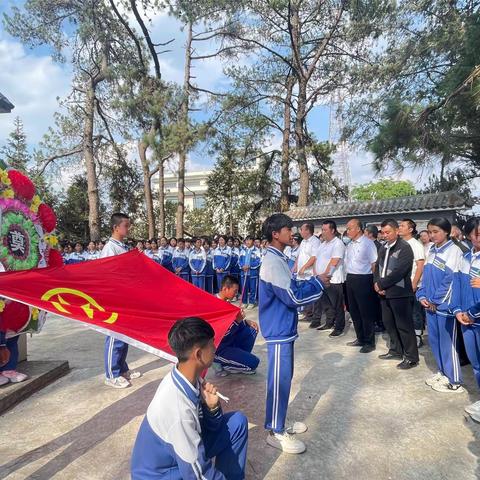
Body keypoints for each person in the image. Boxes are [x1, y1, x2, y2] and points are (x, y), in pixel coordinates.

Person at [131, 317, 248, 480]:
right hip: (162, 475)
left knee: (237, 422)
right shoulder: (177, 411)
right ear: (199, 354)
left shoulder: (187, 376)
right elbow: (197, 474)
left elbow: (208, 428)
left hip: (176, 460)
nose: (215, 348)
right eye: (212, 344)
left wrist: (212, 409)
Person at [259, 213, 329, 454]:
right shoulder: (272, 261)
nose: (293, 233)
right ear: (275, 234)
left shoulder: (279, 257)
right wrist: (319, 283)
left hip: (282, 328)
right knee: (279, 381)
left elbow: (293, 288)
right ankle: (275, 432)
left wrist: (314, 283)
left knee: (284, 379)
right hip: (278, 329)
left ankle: (279, 422)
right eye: (288, 229)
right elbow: (293, 297)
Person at [416, 217, 465, 393]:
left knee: (447, 343)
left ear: (446, 232)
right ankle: (443, 373)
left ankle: (454, 380)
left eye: (436, 231)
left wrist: (436, 301)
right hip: (429, 304)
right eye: (430, 232)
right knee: (434, 341)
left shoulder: (454, 251)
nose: (432, 235)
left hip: (444, 306)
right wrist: (421, 294)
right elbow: (426, 277)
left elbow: (450, 280)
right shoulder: (431, 250)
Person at [101, 213, 141, 389]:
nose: (128, 228)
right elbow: (108, 275)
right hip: (115, 299)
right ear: (116, 227)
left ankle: (122, 369)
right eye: (126, 225)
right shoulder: (110, 248)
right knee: (114, 335)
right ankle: (111, 374)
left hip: (125, 297)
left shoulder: (122, 247)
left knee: (124, 336)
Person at [374, 219, 418, 369]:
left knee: (404, 326)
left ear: (396, 231)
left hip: (399, 293)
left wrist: (382, 284)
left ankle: (411, 357)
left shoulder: (404, 248)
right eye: (383, 232)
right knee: (389, 323)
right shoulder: (383, 247)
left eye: (388, 232)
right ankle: (395, 350)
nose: (385, 235)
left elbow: (400, 271)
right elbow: (377, 268)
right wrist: (377, 283)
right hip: (383, 293)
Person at [452, 217, 480, 418]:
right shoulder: (465, 258)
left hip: (476, 318)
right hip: (466, 320)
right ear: (469, 236)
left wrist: (471, 314)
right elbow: (458, 287)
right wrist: (458, 311)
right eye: (477, 234)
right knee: (476, 363)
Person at [344, 218, 379, 353]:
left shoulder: (368, 243)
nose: (348, 231)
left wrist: (375, 281)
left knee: (366, 312)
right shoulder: (350, 244)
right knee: (354, 311)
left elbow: (374, 264)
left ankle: (369, 342)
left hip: (364, 279)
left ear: (358, 229)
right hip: (351, 278)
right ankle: (360, 338)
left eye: (350, 228)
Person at [215, 275, 260, 375]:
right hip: (219, 348)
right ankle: (223, 364)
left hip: (230, 342)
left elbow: (235, 325)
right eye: (235, 291)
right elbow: (219, 335)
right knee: (253, 363)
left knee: (252, 328)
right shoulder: (214, 305)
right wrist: (237, 321)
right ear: (225, 289)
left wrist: (244, 321)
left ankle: (238, 360)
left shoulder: (227, 304)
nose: (236, 294)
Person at [311, 220, 346, 337]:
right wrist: (316, 274)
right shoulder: (322, 244)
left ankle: (339, 327)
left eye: (325, 230)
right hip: (321, 280)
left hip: (333, 280)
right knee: (326, 304)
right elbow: (316, 259)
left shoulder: (338, 243)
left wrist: (325, 275)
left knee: (337, 305)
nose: (323, 232)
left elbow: (334, 262)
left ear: (332, 230)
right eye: (322, 230)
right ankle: (329, 323)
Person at [399, 219, 426, 347]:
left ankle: (417, 336)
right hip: (401, 284)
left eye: (403, 226)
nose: (400, 227)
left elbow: (420, 265)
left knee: (415, 312)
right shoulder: (400, 244)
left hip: (412, 284)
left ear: (410, 230)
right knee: (405, 312)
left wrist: (414, 283)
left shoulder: (416, 245)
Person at [294, 223, 320, 324]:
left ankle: (313, 316)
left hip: (309, 273)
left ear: (308, 231)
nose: (301, 231)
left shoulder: (315, 242)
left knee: (311, 294)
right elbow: (299, 255)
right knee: (304, 294)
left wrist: (304, 267)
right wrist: (295, 266)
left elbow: (314, 257)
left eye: (302, 229)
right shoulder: (303, 242)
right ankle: (307, 313)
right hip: (301, 274)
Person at [238, 236, 262, 310]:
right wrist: (242, 266)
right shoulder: (242, 250)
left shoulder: (257, 250)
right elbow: (239, 260)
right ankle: (244, 302)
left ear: (253, 241)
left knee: (252, 288)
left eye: (250, 240)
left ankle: (252, 302)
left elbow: (258, 261)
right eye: (246, 240)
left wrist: (249, 266)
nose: (248, 242)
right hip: (243, 272)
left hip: (252, 273)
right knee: (244, 288)